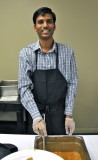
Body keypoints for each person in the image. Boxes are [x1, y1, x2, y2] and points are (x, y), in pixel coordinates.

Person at [18, 7, 78, 136]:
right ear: (35, 27)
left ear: (54, 26)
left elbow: (72, 84)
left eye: (49, 21)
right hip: (36, 113)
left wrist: (68, 115)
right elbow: (24, 88)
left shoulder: (67, 52)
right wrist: (37, 117)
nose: (45, 25)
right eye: (41, 22)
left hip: (59, 115)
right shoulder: (26, 53)